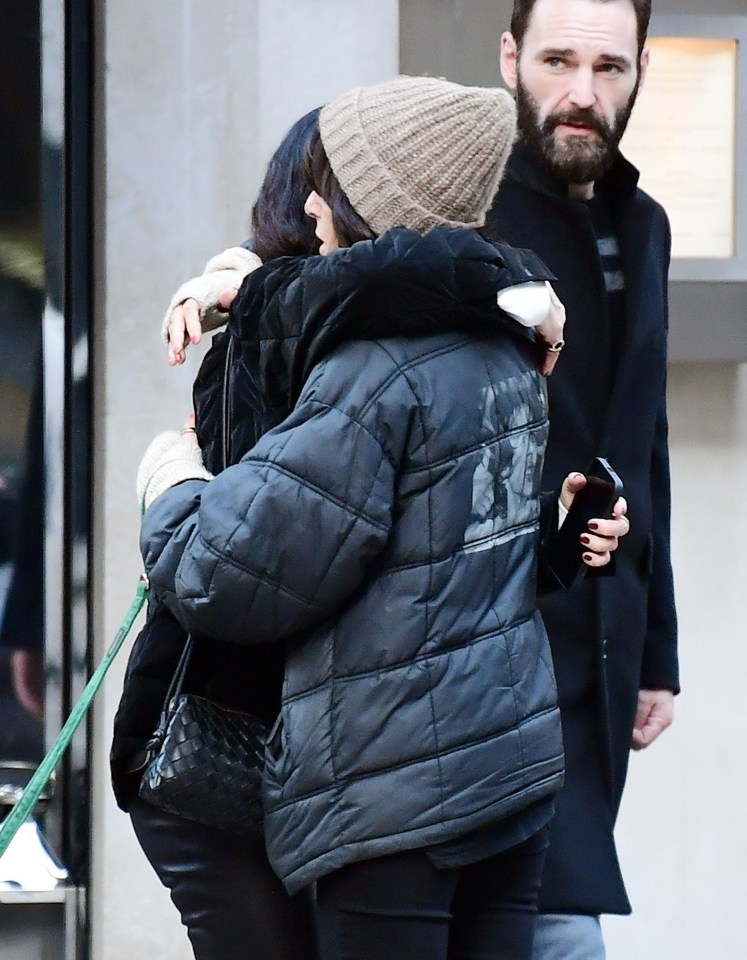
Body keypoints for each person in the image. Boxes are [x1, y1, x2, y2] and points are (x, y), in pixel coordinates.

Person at [135, 75, 626, 960]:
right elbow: (438, 557)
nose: (316, 204)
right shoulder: (508, 345)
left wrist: (168, 480)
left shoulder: (374, 372)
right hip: (503, 774)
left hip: (393, 793)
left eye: (340, 183)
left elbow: (231, 575)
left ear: (378, 209)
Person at [485, 1, 679, 957]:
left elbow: (646, 440)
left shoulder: (645, 225)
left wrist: (658, 652)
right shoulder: (467, 214)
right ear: (511, 57)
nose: (581, 93)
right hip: (489, 639)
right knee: (557, 925)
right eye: (558, 61)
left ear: (640, 68)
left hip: (604, 636)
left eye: (608, 67)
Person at [110, 108, 323, 960]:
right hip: (208, 744)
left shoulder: (276, 320)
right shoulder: (262, 341)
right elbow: (232, 554)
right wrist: (171, 482)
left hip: (278, 748)